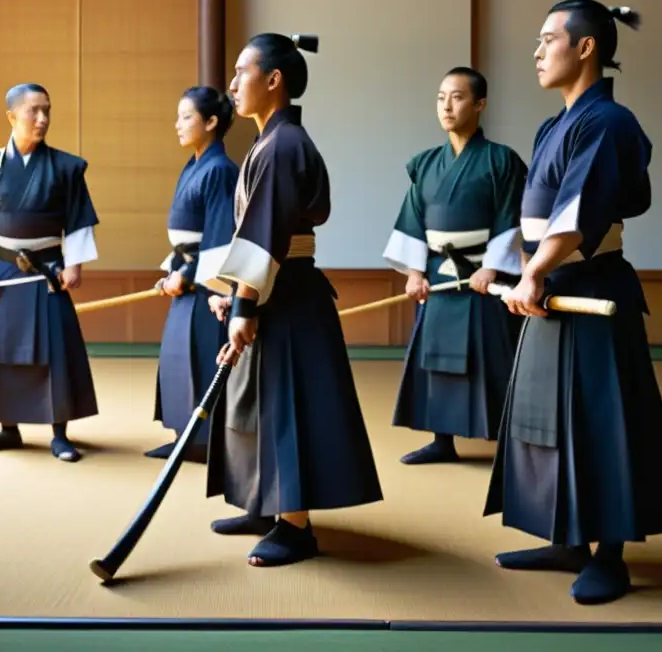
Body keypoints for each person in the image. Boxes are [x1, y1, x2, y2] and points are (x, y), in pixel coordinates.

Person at [483, 0, 662, 605]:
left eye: (549, 39)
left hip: (591, 286)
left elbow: (577, 216)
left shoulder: (607, 122)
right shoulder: (556, 125)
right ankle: (566, 537)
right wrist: (523, 270)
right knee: (547, 416)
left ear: (586, 47)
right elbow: (533, 215)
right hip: (548, 287)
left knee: (603, 420)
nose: (538, 51)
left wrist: (535, 274)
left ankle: (610, 554)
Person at [199, 32, 384, 567]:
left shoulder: (283, 145)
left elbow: (267, 237)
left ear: (273, 80)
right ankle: (265, 501)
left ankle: (295, 525)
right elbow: (256, 234)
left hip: (289, 294)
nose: (232, 84)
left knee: (288, 405)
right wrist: (235, 294)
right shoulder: (268, 142)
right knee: (256, 401)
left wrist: (243, 305)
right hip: (274, 288)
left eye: (241, 72)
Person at [0, 83, 100, 463]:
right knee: (0, 352)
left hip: (48, 273)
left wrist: (74, 264)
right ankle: (7, 429)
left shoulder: (67, 167)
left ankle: (60, 434)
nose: (43, 118)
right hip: (2, 274)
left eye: (47, 110)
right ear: (12, 116)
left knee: (55, 352)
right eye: (34, 111)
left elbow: (79, 220)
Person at [383, 67, 526, 464]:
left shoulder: (502, 161)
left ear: (480, 104)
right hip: (439, 277)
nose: (447, 105)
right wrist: (414, 272)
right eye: (441, 97)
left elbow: (510, 216)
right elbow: (412, 218)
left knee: (494, 360)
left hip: (482, 279)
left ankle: (510, 445)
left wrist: (493, 269)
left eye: (458, 97)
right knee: (436, 361)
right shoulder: (426, 164)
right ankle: (440, 440)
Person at [148, 86, 239, 464]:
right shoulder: (196, 165)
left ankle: (205, 440)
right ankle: (183, 435)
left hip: (208, 288)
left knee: (202, 358)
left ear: (212, 122)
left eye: (186, 117)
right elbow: (189, 236)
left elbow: (218, 237)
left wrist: (187, 275)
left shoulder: (220, 170)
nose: (178, 125)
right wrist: (173, 268)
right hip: (187, 278)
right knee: (176, 358)